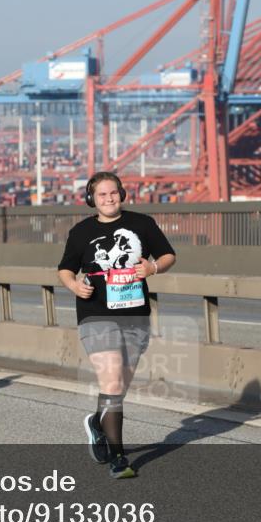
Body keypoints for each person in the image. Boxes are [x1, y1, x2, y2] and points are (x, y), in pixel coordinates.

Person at [58, 172, 176, 478]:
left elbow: (167, 256)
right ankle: (118, 458)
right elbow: (65, 270)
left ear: (121, 194)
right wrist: (74, 287)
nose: (109, 199)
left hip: (135, 315)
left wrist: (152, 267)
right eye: (102, 195)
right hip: (95, 314)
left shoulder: (142, 224)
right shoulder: (81, 232)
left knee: (119, 385)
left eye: (113, 193)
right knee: (111, 382)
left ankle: (98, 422)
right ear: (91, 200)